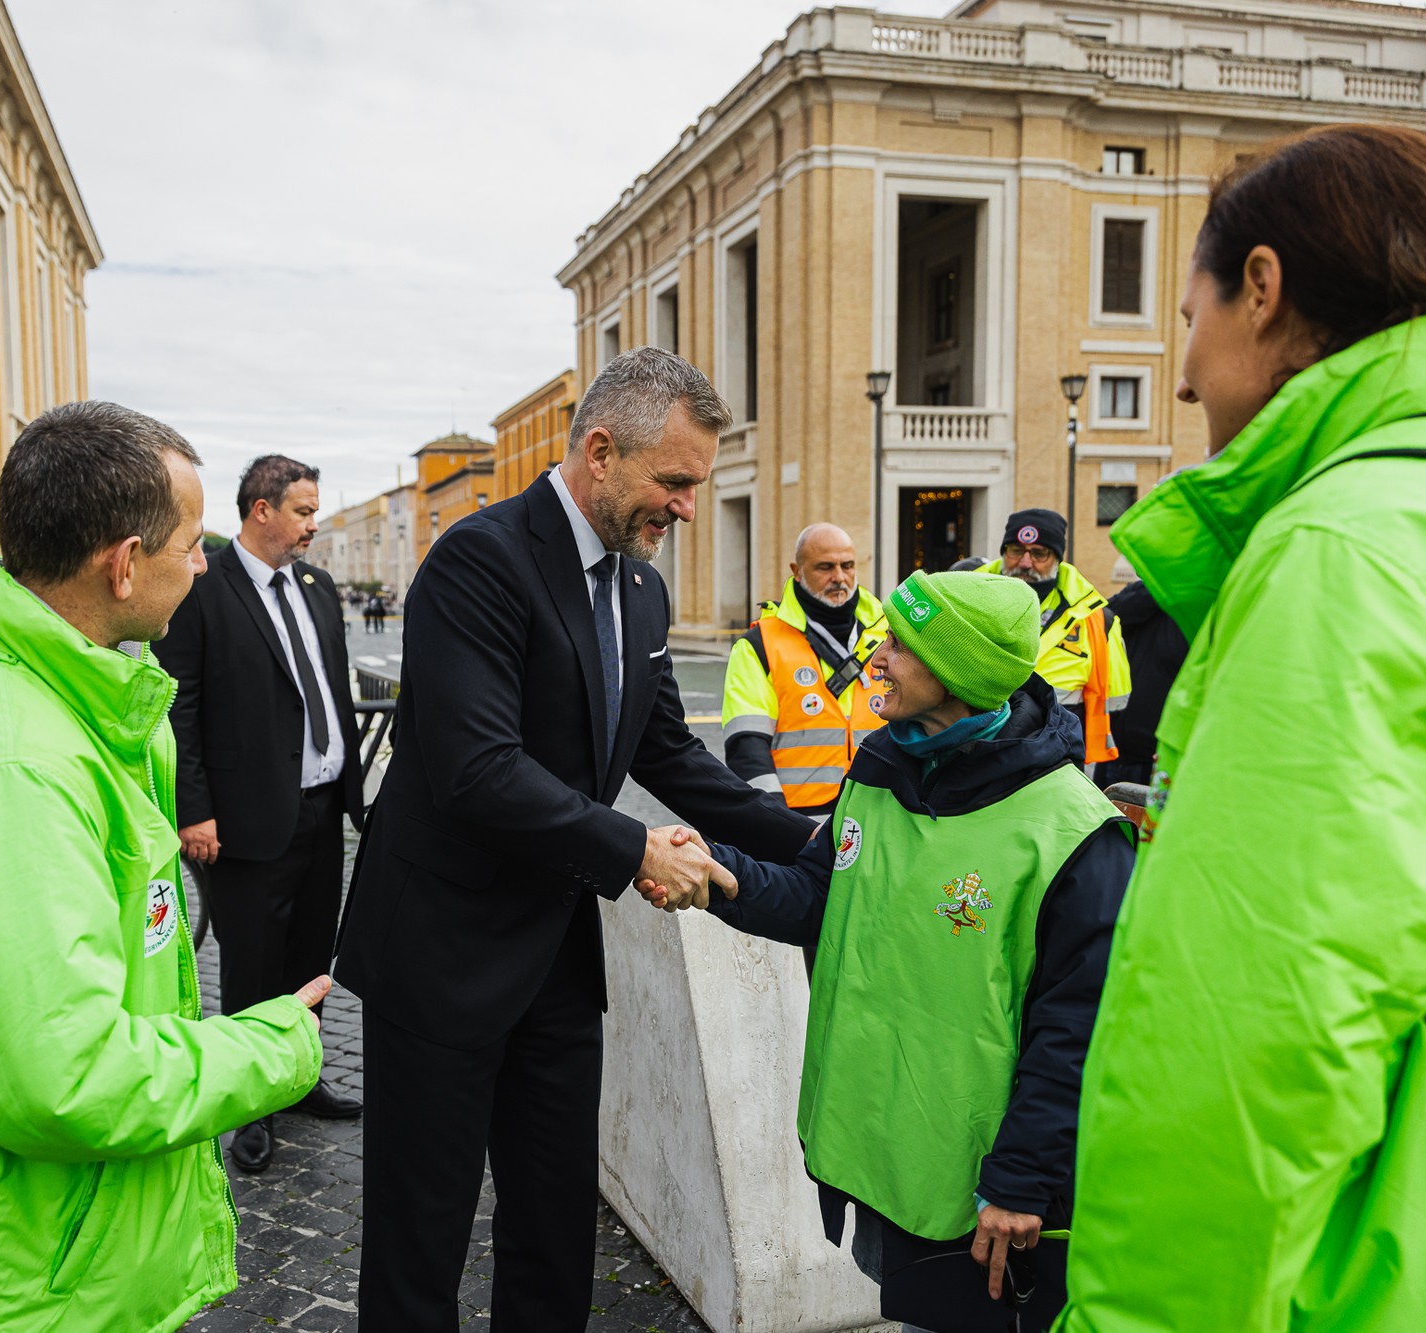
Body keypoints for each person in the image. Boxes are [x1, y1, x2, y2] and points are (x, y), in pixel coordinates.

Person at [1056, 125, 1426, 1330]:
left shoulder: (1349, 551)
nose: (1184, 375)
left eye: (1190, 316)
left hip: (1346, 1279)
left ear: (1261, 288)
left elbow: (1246, 1051)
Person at [0, 403, 328, 1330]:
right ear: (122, 564)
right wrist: (277, 1043)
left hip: (30, 1256)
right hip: (0, 1283)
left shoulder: (25, 690)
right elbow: (62, 1078)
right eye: (189, 546)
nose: (202, 565)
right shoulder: (2, 768)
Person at [335, 347, 815, 1331]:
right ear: (600, 452)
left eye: (696, 486)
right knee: (420, 1243)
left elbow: (672, 754)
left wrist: (817, 839)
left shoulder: (640, 590)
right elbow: (478, 769)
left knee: (554, 1231)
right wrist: (635, 852)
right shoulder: (478, 559)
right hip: (439, 954)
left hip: (554, 957)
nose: (688, 507)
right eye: (674, 480)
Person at [647, 570, 1134, 1332]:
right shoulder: (882, 765)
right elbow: (820, 895)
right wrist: (720, 877)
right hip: (891, 1153)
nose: (877, 657)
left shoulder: (1077, 833)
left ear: (959, 673)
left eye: (902, 645)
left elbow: (1077, 1032)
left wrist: (1020, 1179)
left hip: (988, 1187)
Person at [160, 453, 364, 1174]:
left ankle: (300, 1077)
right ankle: (250, 1106)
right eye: (304, 512)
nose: (314, 525)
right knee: (250, 967)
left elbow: (331, 689)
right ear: (261, 510)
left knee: (311, 955)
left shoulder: (317, 586)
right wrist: (193, 809)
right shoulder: (203, 587)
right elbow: (179, 705)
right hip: (243, 820)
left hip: (323, 809)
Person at [720, 522, 889, 815]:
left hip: (880, 815)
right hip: (798, 818)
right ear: (796, 571)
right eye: (825, 567)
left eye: (847, 566)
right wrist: (776, 823)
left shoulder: (889, 634)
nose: (839, 577)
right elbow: (747, 748)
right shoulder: (759, 645)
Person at [976, 510, 1130, 769]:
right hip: (979, 744)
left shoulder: (1095, 618)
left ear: (1057, 559)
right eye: (1015, 550)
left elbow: (1116, 698)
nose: (1025, 563)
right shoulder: (965, 599)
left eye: (1039, 554)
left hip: (1059, 752)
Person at [1090, 571, 1185, 790]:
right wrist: (1158, 584)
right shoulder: (1136, 603)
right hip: (1112, 750)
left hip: (1154, 757)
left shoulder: (1188, 619)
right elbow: (1105, 615)